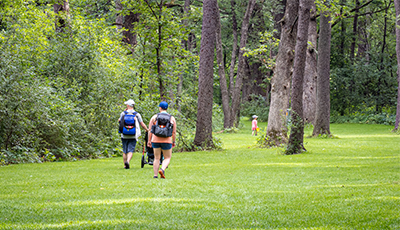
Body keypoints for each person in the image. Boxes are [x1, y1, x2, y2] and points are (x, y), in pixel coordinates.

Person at [147, 101, 176, 179]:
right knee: (167, 157)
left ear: (160, 108)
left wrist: (149, 141)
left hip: (155, 140)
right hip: (167, 140)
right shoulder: (171, 118)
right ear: (167, 108)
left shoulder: (154, 117)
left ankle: (155, 175)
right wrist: (173, 141)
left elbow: (150, 130)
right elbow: (173, 131)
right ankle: (162, 169)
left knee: (156, 158)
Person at [118, 99, 149, 169]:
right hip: (133, 135)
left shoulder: (123, 113)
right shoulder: (137, 114)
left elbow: (120, 122)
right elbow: (142, 124)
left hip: (124, 134)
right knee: (130, 150)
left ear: (128, 105)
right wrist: (147, 129)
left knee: (125, 150)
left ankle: (125, 165)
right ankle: (128, 161)